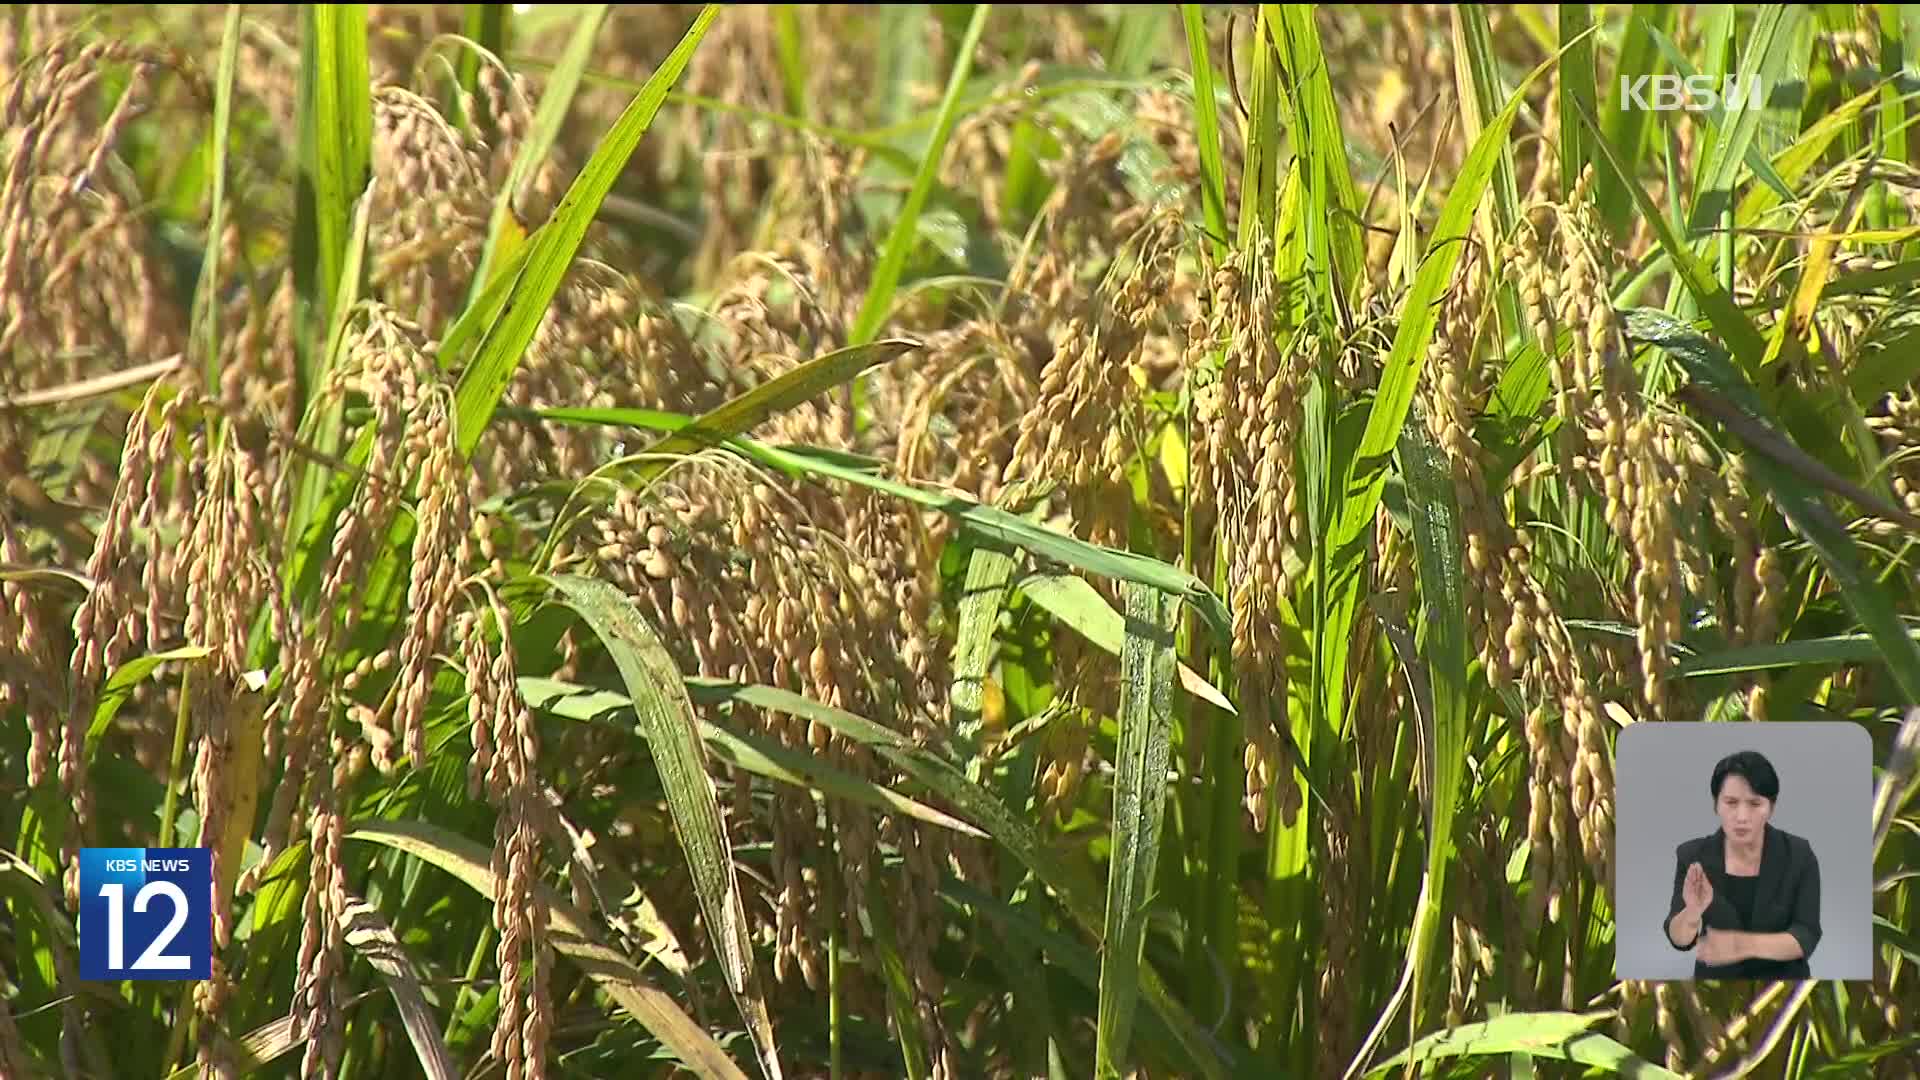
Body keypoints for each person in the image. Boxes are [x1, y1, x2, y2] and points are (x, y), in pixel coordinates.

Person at [1663, 750, 1822, 979]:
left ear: (1771, 808)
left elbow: (1806, 936)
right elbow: (1678, 939)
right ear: (1716, 805)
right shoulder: (1693, 856)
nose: (1742, 816)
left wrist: (1740, 945)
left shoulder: (1798, 856)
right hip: (1716, 991)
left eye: (1755, 804)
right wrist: (1692, 912)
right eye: (1731, 803)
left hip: (1785, 991)